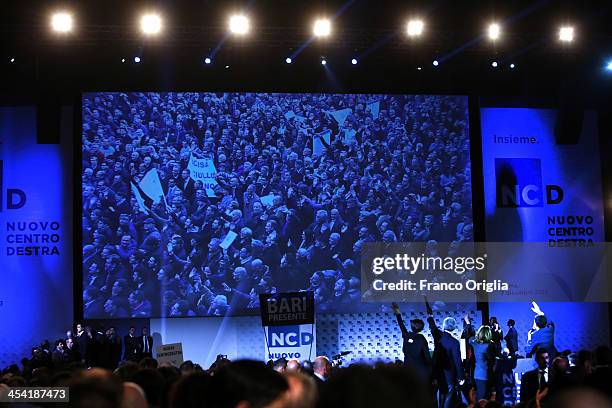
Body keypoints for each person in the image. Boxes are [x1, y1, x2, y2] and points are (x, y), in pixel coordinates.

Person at [427, 306, 464, 408]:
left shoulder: (438, 335)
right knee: (448, 395)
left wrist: (430, 316)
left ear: (444, 326)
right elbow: (457, 361)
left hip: (438, 372)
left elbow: (432, 326)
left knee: (440, 393)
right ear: (454, 327)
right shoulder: (455, 342)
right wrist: (461, 376)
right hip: (449, 374)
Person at [391, 302, 432, 381]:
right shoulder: (420, 338)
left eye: (412, 324)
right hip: (420, 373)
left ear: (416, 326)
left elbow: (401, 325)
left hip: (409, 372)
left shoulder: (408, 336)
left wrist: (398, 313)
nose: (411, 324)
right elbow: (427, 357)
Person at [469, 325, 497, 400]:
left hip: (477, 374)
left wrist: (469, 324)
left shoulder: (475, 344)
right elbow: (492, 360)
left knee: (481, 399)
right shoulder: (488, 346)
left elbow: (470, 338)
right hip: (486, 375)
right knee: (483, 400)